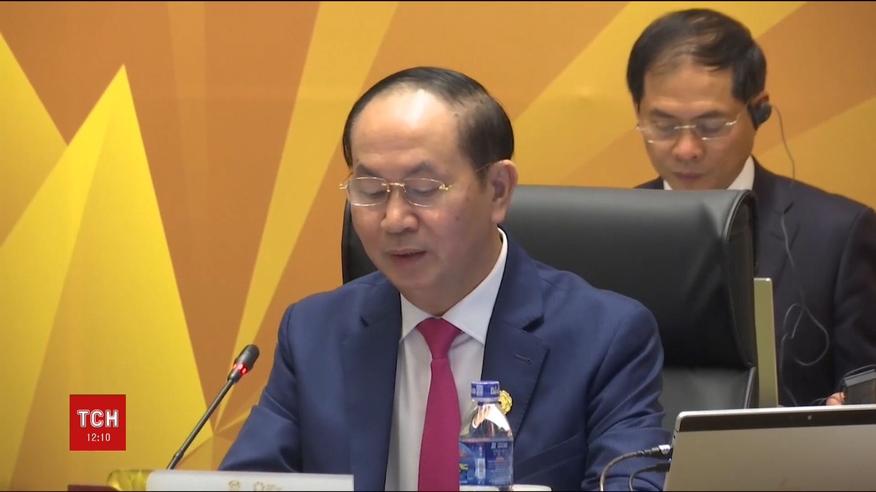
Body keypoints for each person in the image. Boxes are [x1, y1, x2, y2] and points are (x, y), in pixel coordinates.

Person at [221, 67, 669, 490]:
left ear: (498, 190)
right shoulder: (314, 333)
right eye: (371, 191)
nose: (394, 219)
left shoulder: (604, 337)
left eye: (423, 190)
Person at [628, 8, 876, 406]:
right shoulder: (612, 233)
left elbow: (864, 391)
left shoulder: (838, 235)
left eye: (711, 126)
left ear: (758, 111)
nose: (686, 148)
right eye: (664, 125)